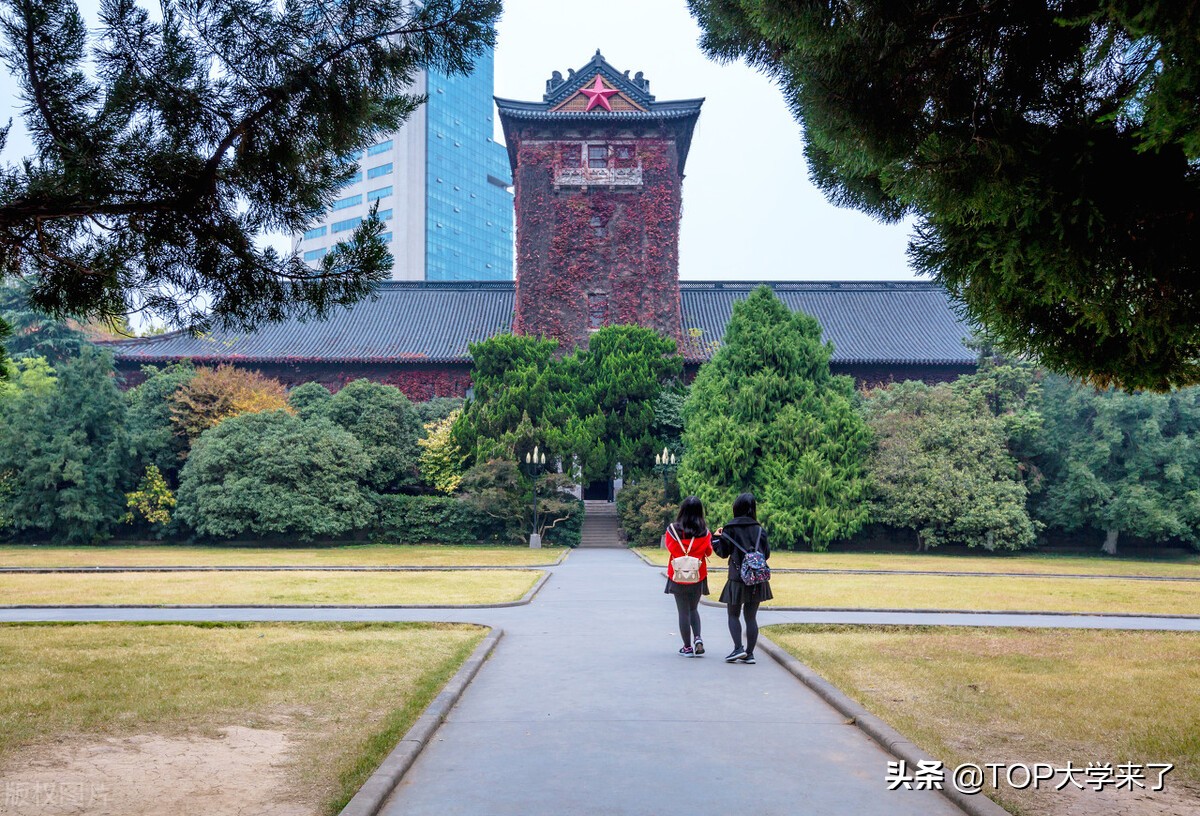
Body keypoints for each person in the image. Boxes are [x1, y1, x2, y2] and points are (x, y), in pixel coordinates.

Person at [712, 492, 772, 664]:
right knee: (751, 617)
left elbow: (722, 553)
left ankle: (738, 649)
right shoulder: (760, 529)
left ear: (736, 507)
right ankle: (750, 653)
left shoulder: (730, 529)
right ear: (753, 509)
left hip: (736, 578)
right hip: (757, 579)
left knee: (733, 614)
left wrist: (716, 538)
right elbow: (766, 555)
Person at [663, 496, 714, 657]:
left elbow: (670, 549)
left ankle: (686, 647)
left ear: (682, 510)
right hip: (697, 575)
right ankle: (698, 638)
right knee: (694, 609)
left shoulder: (672, 530)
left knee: (683, 612)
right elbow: (709, 552)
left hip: (678, 575)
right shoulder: (705, 532)